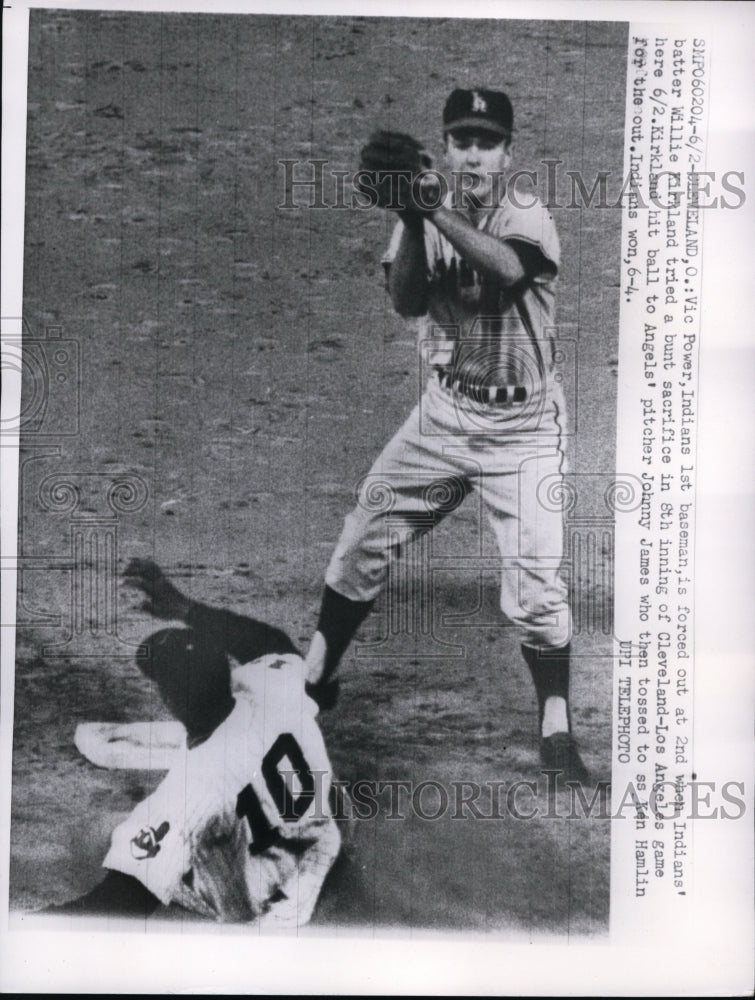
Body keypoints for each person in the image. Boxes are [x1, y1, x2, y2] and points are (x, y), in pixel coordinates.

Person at [305, 87, 588, 782]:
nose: (472, 154)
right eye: (460, 141)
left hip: (523, 430)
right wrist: (410, 216)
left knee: (534, 592)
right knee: (361, 540)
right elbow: (404, 298)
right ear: (446, 145)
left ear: (506, 152)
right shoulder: (421, 216)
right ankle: (316, 678)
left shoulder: (527, 213)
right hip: (444, 416)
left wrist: (429, 209)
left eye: (485, 142)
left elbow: (506, 269)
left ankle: (555, 723)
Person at [46, 559, 341, 925]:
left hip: (263, 901)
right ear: (228, 673)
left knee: (124, 841)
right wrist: (187, 609)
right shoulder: (272, 688)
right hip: (320, 842)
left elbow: (119, 903)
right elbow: (272, 644)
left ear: (169, 701)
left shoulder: (194, 790)